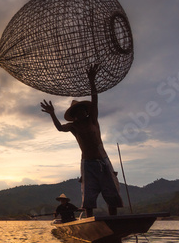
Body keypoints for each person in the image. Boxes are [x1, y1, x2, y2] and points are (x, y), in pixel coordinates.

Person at [40, 67, 123, 217]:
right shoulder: (74, 127)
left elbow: (95, 99)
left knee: (111, 192)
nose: (81, 113)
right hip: (88, 163)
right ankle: (89, 220)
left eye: (82, 110)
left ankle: (113, 220)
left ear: (86, 111)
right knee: (89, 194)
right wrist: (52, 114)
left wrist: (92, 81)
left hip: (103, 161)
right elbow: (59, 128)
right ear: (74, 115)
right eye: (77, 111)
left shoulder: (93, 120)